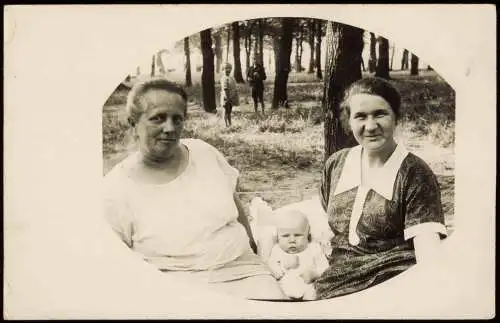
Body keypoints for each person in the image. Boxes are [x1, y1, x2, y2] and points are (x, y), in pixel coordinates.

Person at [103, 77, 285, 300]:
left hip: (244, 271)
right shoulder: (114, 189)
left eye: (177, 119)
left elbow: (235, 206)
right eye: (158, 118)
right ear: (133, 125)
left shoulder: (204, 153)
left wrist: (254, 252)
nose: (170, 128)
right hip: (173, 285)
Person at [314, 77, 448, 299]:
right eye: (360, 116)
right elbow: (329, 224)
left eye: (380, 114)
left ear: (396, 117)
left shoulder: (415, 172)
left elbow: (428, 251)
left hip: (393, 281)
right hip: (336, 280)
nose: (370, 126)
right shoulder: (336, 164)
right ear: (349, 122)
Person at [267, 210, 329, 300]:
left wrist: (315, 274)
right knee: (274, 292)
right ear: (278, 237)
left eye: (297, 235)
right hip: (284, 291)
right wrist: (283, 267)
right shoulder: (277, 251)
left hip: (308, 288)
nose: (292, 240)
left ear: (308, 235)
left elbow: (325, 268)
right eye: (285, 236)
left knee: (314, 292)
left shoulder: (314, 248)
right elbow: (271, 270)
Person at [219, 63, 239, 127]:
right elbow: (225, 89)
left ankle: (230, 124)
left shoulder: (231, 78)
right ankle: (225, 124)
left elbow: (234, 87)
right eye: (226, 70)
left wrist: (233, 96)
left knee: (229, 111)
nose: (227, 71)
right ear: (223, 70)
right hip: (226, 97)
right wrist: (228, 98)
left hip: (231, 96)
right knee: (225, 110)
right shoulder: (224, 78)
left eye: (229, 70)